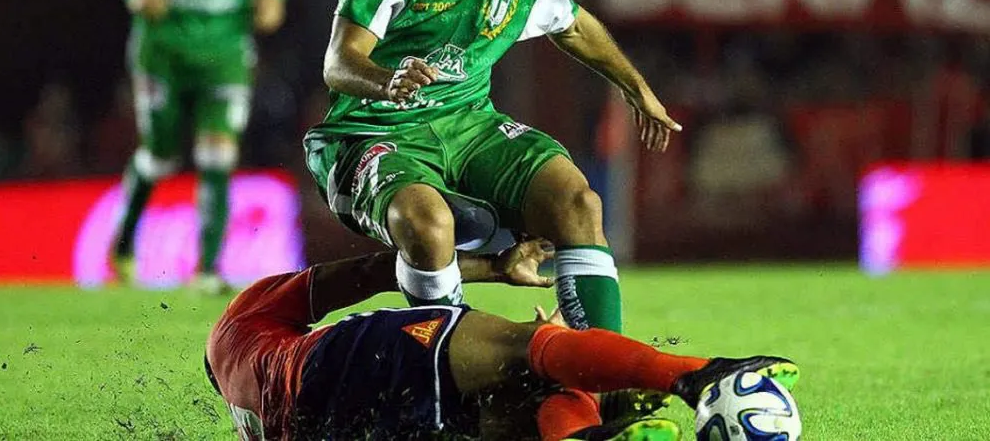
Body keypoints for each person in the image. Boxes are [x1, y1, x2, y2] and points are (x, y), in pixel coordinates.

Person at [305, 0, 681, 332]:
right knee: (428, 224)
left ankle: (603, 377)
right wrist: (386, 81)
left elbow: (572, 26)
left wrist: (637, 90)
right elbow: (339, 62)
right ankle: (449, 369)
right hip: (374, 133)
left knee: (576, 201)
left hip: (469, 125)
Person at [205, 240, 800, 440]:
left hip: (333, 430)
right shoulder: (235, 328)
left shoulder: (247, 408)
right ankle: (701, 375)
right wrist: (492, 266)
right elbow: (357, 276)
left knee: (515, 406)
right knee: (530, 349)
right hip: (335, 363)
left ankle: (583, 432)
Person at [89, 0, 286, 292]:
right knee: (160, 154)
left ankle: (208, 268)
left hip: (226, 43)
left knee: (218, 153)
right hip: (166, 44)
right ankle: (123, 243)